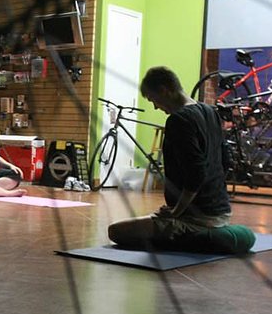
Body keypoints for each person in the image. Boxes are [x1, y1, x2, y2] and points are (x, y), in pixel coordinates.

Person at [107, 66, 254, 254]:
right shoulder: (211, 112)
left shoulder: (179, 120)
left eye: (154, 100)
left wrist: (176, 212)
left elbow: (196, 174)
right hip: (222, 212)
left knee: (116, 231)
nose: (155, 107)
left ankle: (190, 236)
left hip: (195, 220)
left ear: (164, 90)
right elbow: (225, 161)